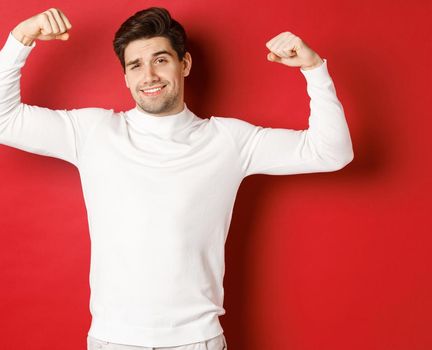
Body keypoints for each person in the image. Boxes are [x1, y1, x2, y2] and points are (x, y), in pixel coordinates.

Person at [0, 6, 353, 350]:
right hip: (114, 339)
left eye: (160, 60)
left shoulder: (229, 141)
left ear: (184, 64)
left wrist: (313, 68)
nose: (149, 75)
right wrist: (20, 38)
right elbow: (5, 119)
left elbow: (331, 152)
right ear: (125, 77)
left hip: (197, 340)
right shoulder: (92, 132)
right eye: (135, 65)